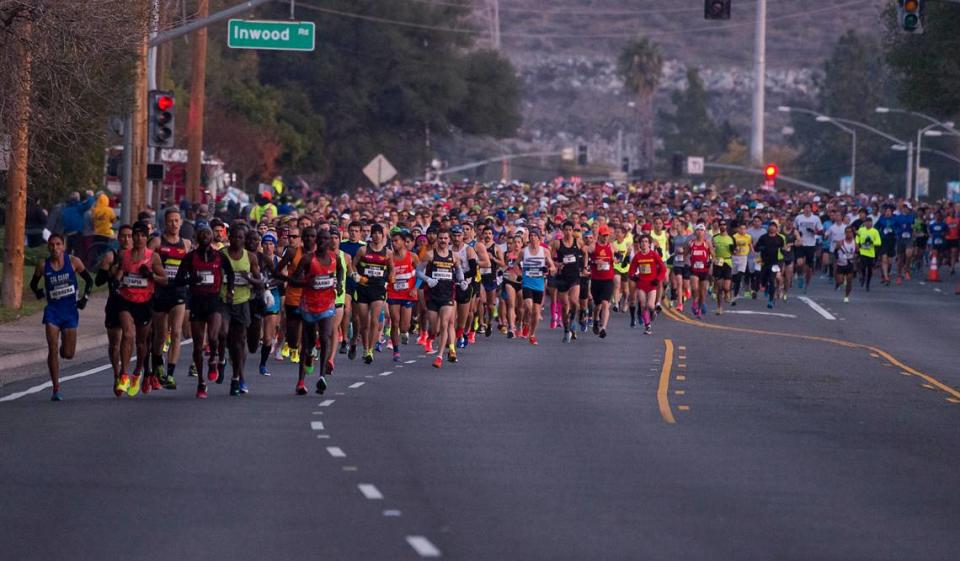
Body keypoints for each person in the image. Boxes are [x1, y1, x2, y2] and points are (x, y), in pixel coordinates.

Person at [29, 233, 93, 401]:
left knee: (68, 353)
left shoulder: (73, 262)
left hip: (70, 311)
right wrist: (39, 293)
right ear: (48, 247)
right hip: (53, 311)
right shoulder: (43, 266)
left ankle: (63, 349)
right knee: (52, 347)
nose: (55, 248)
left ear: (63, 246)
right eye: (51, 244)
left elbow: (89, 281)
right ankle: (56, 387)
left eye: (58, 244)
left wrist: (84, 299)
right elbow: (33, 284)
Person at [173, 222, 233, 399]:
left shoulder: (219, 256)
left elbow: (230, 273)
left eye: (208, 234)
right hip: (197, 302)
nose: (206, 237)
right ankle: (201, 383)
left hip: (214, 301)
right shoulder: (190, 258)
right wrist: (192, 279)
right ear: (198, 237)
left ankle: (214, 358)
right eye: (202, 234)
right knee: (198, 346)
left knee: (213, 337)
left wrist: (230, 290)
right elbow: (178, 280)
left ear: (212, 237)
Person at [115, 221, 167, 396]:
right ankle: (124, 374)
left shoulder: (153, 257)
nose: (138, 238)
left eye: (142, 235)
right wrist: (117, 279)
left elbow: (165, 279)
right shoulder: (125, 255)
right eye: (136, 235)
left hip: (144, 302)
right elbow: (121, 271)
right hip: (126, 299)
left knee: (141, 342)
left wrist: (151, 275)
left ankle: (137, 372)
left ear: (147, 237)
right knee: (128, 334)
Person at [290, 227, 343, 395]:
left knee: (326, 337)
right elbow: (294, 280)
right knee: (308, 343)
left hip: (327, 304)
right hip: (309, 306)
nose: (322, 242)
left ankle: (322, 378)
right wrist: (306, 283)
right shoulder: (307, 259)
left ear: (329, 242)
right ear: (315, 241)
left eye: (325, 239)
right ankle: (301, 381)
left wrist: (340, 283)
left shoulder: (335, 258)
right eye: (319, 239)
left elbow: (340, 271)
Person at [147, 207, 192, 390]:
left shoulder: (187, 244)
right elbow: (145, 259)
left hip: (179, 292)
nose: (174, 224)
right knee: (160, 334)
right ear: (165, 223)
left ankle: (170, 373)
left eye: (176, 220)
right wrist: (152, 276)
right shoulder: (158, 241)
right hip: (160, 292)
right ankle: (157, 363)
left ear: (181, 222)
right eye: (170, 221)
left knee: (176, 332)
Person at [219, 223, 263, 396]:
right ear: (229, 238)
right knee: (222, 333)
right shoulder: (221, 255)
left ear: (243, 240)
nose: (237, 240)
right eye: (234, 237)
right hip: (223, 301)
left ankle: (237, 378)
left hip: (243, 301)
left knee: (238, 343)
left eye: (240, 237)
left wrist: (249, 279)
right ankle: (221, 360)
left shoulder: (250, 257)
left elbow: (260, 281)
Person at [97, 225, 133, 396]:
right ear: (118, 239)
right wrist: (107, 268)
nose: (126, 240)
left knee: (128, 336)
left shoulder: (140, 257)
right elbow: (98, 282)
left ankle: (125, 373)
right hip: (114, 303)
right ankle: (117, 374)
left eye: (129, 236)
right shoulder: (112, 255)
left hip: (133, 304)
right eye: (123, 236)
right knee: (114, 344)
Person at [417, 229, 461, 368]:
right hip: (432, 296)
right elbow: (417, 271)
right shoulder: (430, 255)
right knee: (434, 329)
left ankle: (440, 356)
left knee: (445, 324)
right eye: (440, 238)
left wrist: (462, 281)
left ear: (449, 240)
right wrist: (428, 279)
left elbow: (459, 271)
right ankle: (432, 339)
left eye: (445, 238)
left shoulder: (454, 257)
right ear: (437, 239)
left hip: (447, 295)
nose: (443, 241)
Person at [352, 223, 392, 364]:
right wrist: (356, 275)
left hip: (379, 289)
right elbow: (353, 264)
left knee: (374, 320)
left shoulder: (387, 253)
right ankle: (364, 347)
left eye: (379, 232)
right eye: (374, 232)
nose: (376, 235)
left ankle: (370, 350)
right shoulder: (363, 250)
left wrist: (389, 280)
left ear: (383, 235)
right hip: (363, 288)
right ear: (371, 235)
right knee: (364, 323)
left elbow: (391, 269)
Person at [387, 229, 419, 362]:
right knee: (394, 321)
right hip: (393, 292)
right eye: (392, 241)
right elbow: (386, 276)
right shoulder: (389, 257)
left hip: (408, 293)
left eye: (396, 241)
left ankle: (405, 332)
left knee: (404, 325)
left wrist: (415, 288)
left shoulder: (412, 256)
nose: (394, 244)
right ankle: (396, 350)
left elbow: (420, 274)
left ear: (403, 242)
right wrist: (390, 274)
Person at [551, 220, 585, 343]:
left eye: (570, 230)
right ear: (563, 230)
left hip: (575, 276)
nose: (568, 232)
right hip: (562, 278)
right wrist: (557, 264)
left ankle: (573, 321)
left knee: (574, 302)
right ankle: (566, 330)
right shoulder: (557, 243)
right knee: (565, 306)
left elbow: (585, 253)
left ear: (573, 231)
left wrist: (584, 267)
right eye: (566, 230)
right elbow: (549, 258)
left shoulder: (578, 242)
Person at [519, 228, 555, 345]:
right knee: (528, 307)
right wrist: (519, 273)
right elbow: (515, 265)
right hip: (527, 282)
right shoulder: (524, 251)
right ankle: (526, 322)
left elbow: (552, 266)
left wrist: (550, 269)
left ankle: (532, 334)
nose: (533, 238)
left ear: (539, 238)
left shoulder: (545, 251)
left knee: (535, 312)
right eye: (531, 235)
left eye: (535, 236)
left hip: (539, 284)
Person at [628, 234, 666, 334]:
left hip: (652, 284)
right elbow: (631, 270)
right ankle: (647, 326)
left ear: (649, 244)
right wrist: (634, 277)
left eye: (646, 242)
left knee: (650, 305)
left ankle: (653, 311)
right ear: (639, 244)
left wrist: (658, 279)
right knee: (643, 305)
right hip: (641, 284)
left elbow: (663, 268)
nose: (644, 244)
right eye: (642, 242)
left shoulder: (654, 255)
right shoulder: (637, 256)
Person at [586, 224, 615, 338]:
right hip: (596, 279)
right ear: (599, 236)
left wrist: (617, 258)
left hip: (608, 279)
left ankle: (603, 327)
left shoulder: (611, 246)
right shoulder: (594, 246)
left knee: (605, 304)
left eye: (607, 235)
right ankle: (595, 320)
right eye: (604, 235)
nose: (605, 238)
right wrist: (592, 263)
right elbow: (585, 254)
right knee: (597, 306)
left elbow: (617, 257)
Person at [754, 221, 786, 309]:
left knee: (772, 280)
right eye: (770, 226)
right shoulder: (763, 237)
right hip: (763, 262)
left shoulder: (780, 238)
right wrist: (761, 248)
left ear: (776, 228)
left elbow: (783, 250)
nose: (772, 228)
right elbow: (756, 248)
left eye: (773, 227)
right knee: (763, 281)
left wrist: (784, 254)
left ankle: (771, 300)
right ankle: (765, 286)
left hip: (774, 263)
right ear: (768, 228)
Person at [856, 216, 881, 291]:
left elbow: (879, 242)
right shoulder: (861, 230)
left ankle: (868, 283)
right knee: (862, 266)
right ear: (865, 223)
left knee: (870, 269)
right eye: (866, 222)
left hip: (871, 253)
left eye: (869, 222)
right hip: (862, 251)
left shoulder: (875, 231)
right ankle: (863, 276)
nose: (868, 224)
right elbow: (857, 237)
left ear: (872, 223)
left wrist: (872, 242)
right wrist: (857, 243)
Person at [834, 226, 858, 303]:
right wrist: (836, 259)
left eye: (850, 232)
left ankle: (846, 296)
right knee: (840, 281)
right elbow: (835, 252)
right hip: (841, 264)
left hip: (849, 264)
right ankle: (838, 284)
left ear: (852, 233)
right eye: (847, 232)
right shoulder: (840, 242)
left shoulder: (855, 243)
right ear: (845, 233)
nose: (848, 234)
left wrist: (855, 261)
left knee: (849, 281)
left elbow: (857, 253)